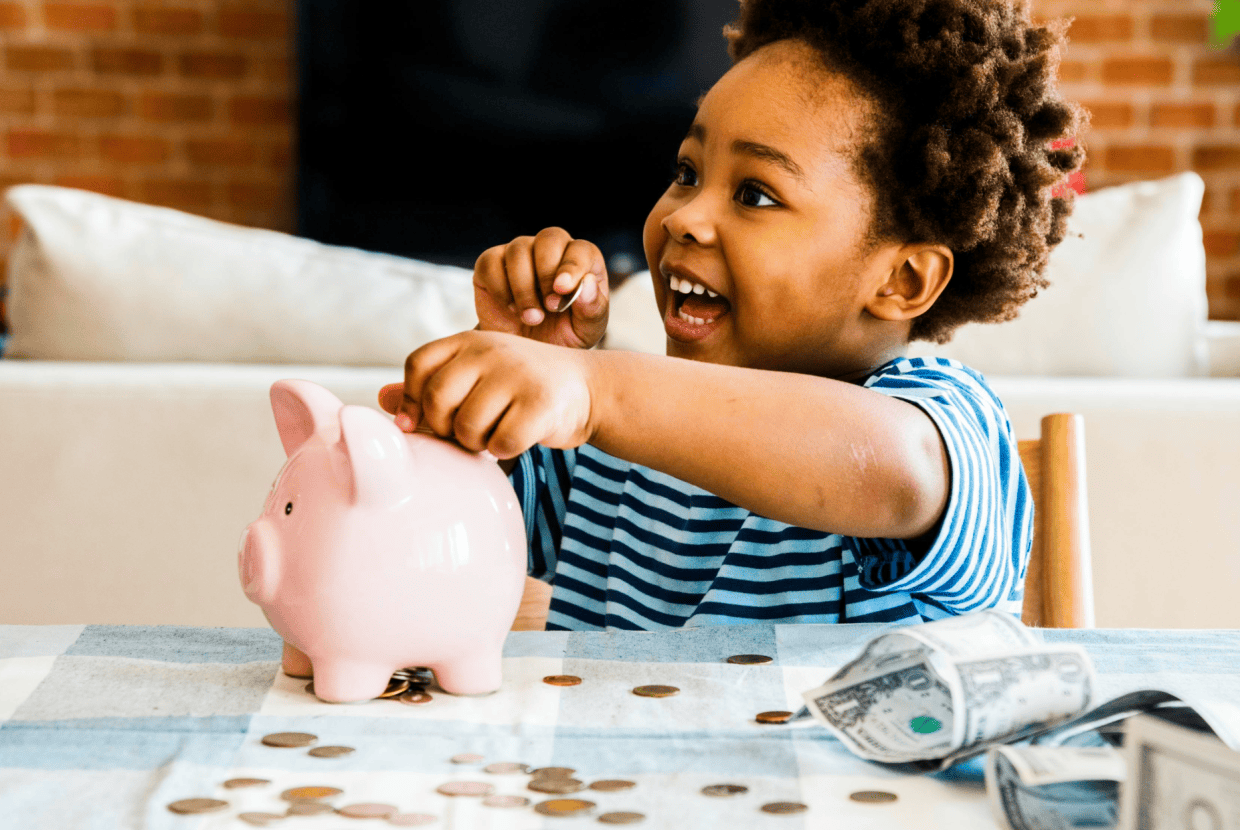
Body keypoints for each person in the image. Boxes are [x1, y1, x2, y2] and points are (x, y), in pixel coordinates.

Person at [378, 0, 1085, 630]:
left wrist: (597, 389)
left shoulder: (941, 414)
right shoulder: (610, 446)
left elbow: (897, 468)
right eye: (687, 173)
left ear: (902, 279)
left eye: (756, 194)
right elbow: (433, 539)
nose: (686, 218)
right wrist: (517, 373)